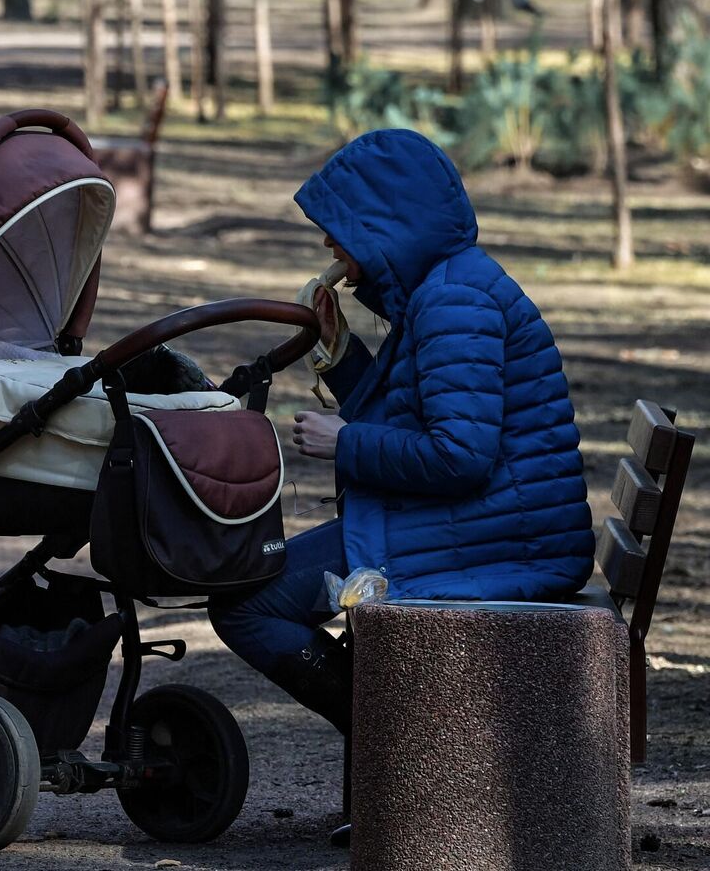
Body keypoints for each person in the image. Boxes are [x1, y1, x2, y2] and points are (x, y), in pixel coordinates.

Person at [207, 128, 595, 847]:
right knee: (252, 591)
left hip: (492, 543)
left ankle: (408, 752)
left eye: (340, 234)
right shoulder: (444, 291)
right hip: (471, 527)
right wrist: (340, 353)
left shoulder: (454, 305)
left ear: (385, 226)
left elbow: (460, 455)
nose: (332, 253)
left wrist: (342, 442)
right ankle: (405, 742)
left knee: (248, 604)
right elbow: (422, 419)